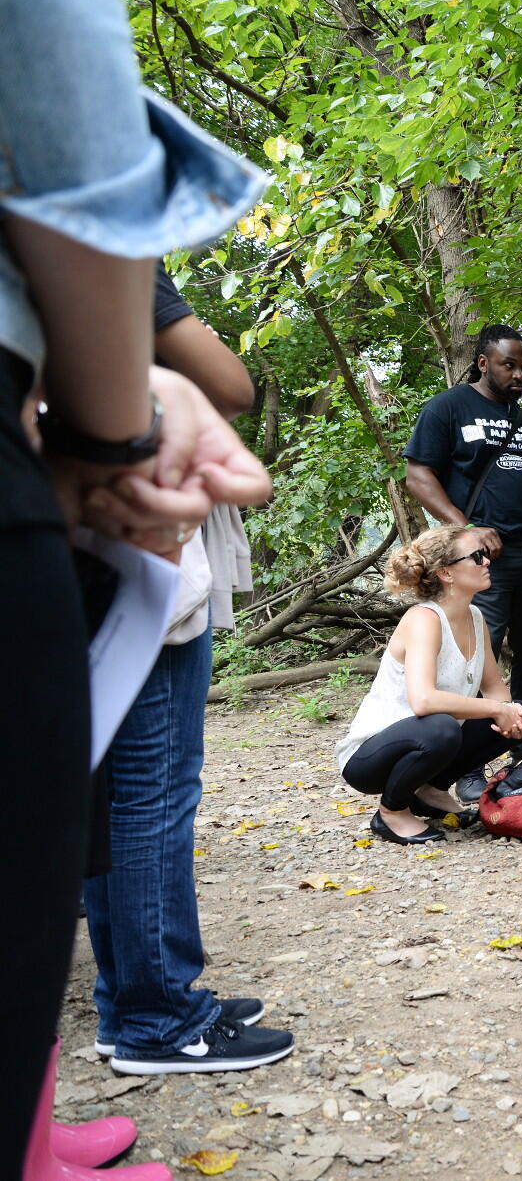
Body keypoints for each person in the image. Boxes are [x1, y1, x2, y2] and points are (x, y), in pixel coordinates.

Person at [2, 0, 268, 1170]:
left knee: (102, 808)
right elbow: (69, 81)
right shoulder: (138, 277)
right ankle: (155, 1012)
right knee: (135, 797)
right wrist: (117, 424)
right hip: (99, 530)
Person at [85, 266, 294, 1078]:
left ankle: (127, 1000)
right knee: (155, 789)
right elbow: (228, 382)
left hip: (82, 548)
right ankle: (160, 1014)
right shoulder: (104, 243)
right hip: (137, 550)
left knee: (117, 794)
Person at [405, 323, 522, 803]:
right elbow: (417, 475)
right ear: (483, 363)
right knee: (477, 660)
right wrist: (465, 529)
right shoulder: (447, 407)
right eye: (508, 365)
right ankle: (469, 764)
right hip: (480, 560)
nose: (518, 374)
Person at [335, 526, 522, 843]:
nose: (487, 562)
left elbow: (495, 687)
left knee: (518, 710)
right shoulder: (424, 619)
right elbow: (423, 701)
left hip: (430, 740)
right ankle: (391, 813)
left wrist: (510, 714)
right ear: (447, 573)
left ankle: (429, 791)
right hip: (369, 757)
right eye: (477, 556)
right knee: (442, 726)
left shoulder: (474, 616)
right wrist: (496, 708)